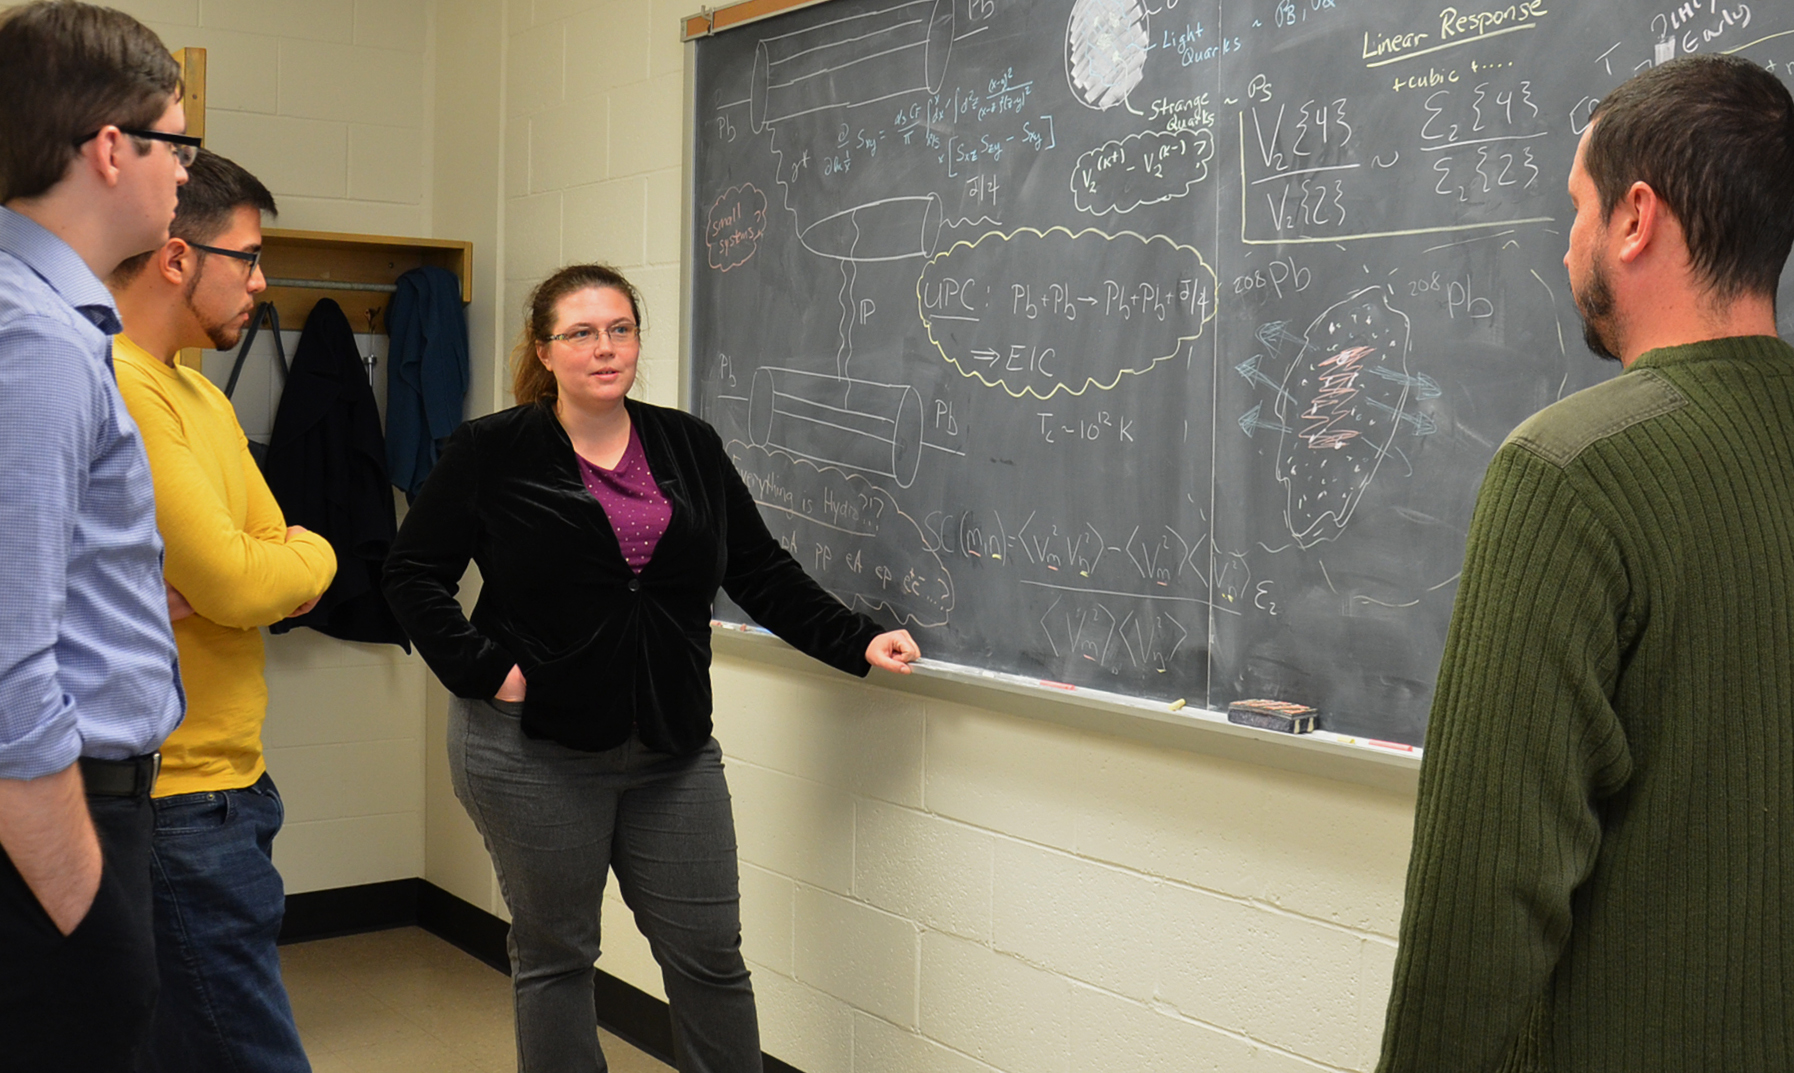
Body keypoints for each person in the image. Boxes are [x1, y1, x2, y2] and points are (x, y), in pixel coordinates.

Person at [384, 262, 922, 1073]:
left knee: (710, 957)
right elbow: (411, 572)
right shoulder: (491, 449)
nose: (605, 348)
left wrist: (855, 639)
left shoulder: (687, 443)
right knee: (558, 954)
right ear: (545, 349)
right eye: (582, 333)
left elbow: (759, 568)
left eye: (620, 329)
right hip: (533, 745)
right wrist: (487, 669)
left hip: (672, 746)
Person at [1376, 55, 1794, 1072]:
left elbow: (1484, 892)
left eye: (1578, 208)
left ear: (1636, 218)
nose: (1566, 247)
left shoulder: (1568, 474)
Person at [108, 148, 337, 1073]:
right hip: (175, 800)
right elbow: (243, 582)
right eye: (245, 256)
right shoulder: (121, 382)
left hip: (236, 785)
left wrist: (276, 563)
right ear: (176, 258)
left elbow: (290, 552)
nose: (262, 280)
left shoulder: (198, 391)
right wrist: (262, 569)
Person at [0, 2, 192, 1068]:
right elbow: (3, 669)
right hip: (51, 843)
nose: (183, 177)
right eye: (178, 144)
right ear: (113, 149)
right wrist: (84, 901)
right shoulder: (34, 337)